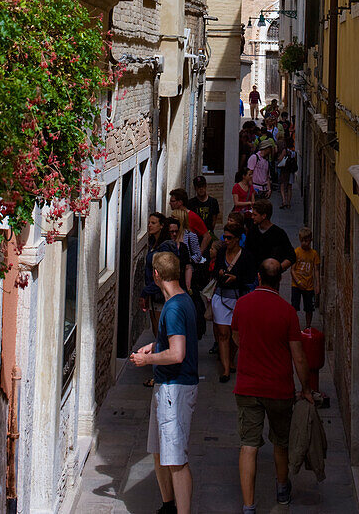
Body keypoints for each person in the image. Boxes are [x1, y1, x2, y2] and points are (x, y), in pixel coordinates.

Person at [231, 259, 313, 513]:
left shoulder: (242, 305)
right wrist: (306, 388)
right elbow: (298, 356)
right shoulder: (287, 311)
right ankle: (281, 491)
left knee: (248, 445)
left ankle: (248, 506)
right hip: (279, 388)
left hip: (247, 385)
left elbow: (236, 337)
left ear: (258, 277)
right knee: (280, 442)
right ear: (281, 280)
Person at [131, 251, 199, 514]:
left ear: (156, 275)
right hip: (168, 388)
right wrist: (154, 345)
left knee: (176, 459)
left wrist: (147, 361)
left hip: (175, 389)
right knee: (160, 451)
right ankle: (168, 505)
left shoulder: (172, 309)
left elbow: (177, 353)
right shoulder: (182, 300)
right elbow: (174, 341)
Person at [211, 222, 256, 383]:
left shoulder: (246, 256)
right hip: (221, 297)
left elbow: (251, 278)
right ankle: (225, 369)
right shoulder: (222, 251)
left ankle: (230, 359)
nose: (226, 240)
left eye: (229, 238)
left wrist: (237, 278)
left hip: (238, 298)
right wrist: (220, 272)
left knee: (235, 334)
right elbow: (215, 271)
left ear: (237, 239)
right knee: (223, 334)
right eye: (225, 237)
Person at [140, 213, 175, 386]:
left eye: (153, 223)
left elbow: (163, 274)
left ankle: (161, 374)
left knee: (162, 335)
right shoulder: (154, 244)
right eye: (148, 222)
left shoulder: (164, 246)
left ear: (162, 225)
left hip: (160, 296)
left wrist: (145, 292)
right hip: (155, 296)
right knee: (158, 333)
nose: (149, 225)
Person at [245, 201, 297, 273]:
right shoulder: (252, 231)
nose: (252, 217)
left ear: (264, 216)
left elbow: (291, 256)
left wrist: (278, 269)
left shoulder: (278, 233)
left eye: (255, 215)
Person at [291, 228, 320, 330]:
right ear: (300, 240)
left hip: (309, 285)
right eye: (303, 241)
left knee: (309, 308)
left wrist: (317, 285)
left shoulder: (314, 254)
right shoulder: (296, 252)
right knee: (294, 307)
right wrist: (298, 282)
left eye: (306, 241)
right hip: (296, 285)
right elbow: (292, 270)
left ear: (310, 240)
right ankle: (294, 326)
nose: (305, 243)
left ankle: (308, 326)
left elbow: (316, 270)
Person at [190, 175, 220, 252]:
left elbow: (214, 220)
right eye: (198, 187)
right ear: (195, 188)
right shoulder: (191, 203)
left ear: (206, 186)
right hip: (195, 236)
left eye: (202, 186)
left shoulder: (213, 202)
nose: (201, 189)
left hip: (208, 234)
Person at [166, 215, 193, 292]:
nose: (174, 234)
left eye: (176, 231)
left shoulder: (182, 247)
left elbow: (187, 266)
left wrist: (188, 286)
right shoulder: (163, 247)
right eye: (172, 232)